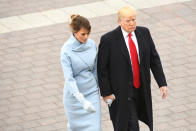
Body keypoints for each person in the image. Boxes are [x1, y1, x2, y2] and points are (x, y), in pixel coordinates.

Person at [97, 6, 167, 131]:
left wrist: (162, 83)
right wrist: (106, 93)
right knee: (130, 126)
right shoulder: (108, 40)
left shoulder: (144, 33)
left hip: (140, 90)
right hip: (121, 94)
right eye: (128, 21)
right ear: (119, 21)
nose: (132, 23)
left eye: (133, 20)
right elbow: (102, 69)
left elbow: (154, 59)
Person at [60, 14, 101, 131]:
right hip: (75, 98)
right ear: (74, 32)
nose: (86, 37)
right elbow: (69, 79)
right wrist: (81, 100)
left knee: (95, 128)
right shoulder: (66, 50)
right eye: (83, 34)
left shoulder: (92, 45)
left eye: (88, 33)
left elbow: (96, 70)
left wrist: (103, 90)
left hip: (92, 93)